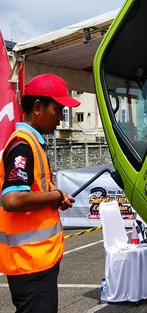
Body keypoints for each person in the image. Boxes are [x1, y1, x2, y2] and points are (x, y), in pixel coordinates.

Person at [0, 73, 78, 313]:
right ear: (37, 107)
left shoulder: (33, 143)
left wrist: (56, 197)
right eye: (58, 109)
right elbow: (12, 199)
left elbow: (34, 191)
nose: (61, 118)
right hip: (30, 264)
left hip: (37, 262)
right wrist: (54, 197)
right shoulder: (22, 145)